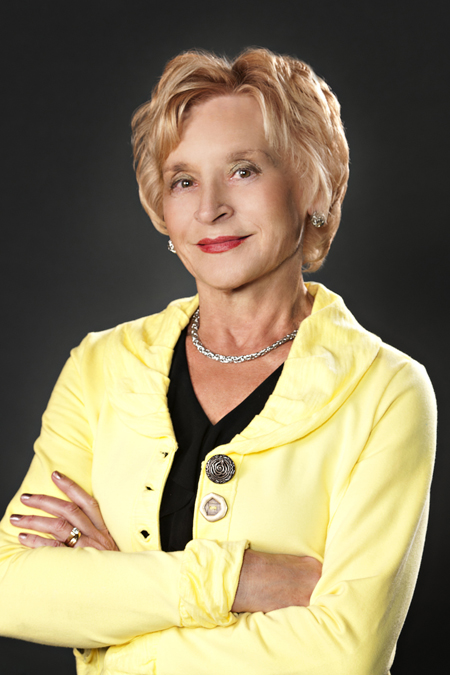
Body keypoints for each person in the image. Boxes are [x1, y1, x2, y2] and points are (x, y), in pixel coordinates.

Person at [0, 48, 436, 675]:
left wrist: (115, 603)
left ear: (313, 184)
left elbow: (346, 654)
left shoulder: (388, 392)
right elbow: (14, 588)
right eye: (183, 181)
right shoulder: (101, 366)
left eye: (243, 171)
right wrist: (235, 580)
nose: (209, 209)